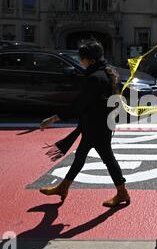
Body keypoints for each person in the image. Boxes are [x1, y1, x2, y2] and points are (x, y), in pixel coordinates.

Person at [39, 39, 130, 208]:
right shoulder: (107, 72)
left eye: (82, 58)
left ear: (90, 59)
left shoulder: (95, 77)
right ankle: (64, 187)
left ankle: (122, 192)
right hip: (99, 124)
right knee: (80, 156)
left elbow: (79, 104)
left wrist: (53, 118)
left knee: (107, 159)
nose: (80, 60)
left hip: (96, 126)